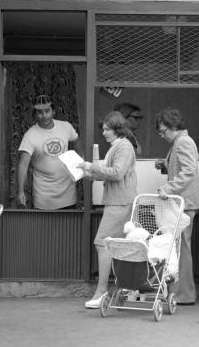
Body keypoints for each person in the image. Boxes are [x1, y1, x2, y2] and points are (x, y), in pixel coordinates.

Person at [78, 111, 137, 308]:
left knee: (102, 243)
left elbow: (117, 173)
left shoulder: (123, 147)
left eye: (106, 129)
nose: (103, 133)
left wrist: (92, 167)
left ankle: (102, 291)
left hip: (119, 202)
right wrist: (92, 174)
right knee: (118, 247)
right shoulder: (119, 146)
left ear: (116, 129)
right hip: (118, 201)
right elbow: (114, 173)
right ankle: (121, 289)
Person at [154, 108, 199, 305]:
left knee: (182, 247)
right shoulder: (180, 142)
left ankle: (184, 294)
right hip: (183, 201)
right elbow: (185, 168)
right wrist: (165, 166)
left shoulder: (183, 142)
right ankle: (181, 292)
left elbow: (189, 170)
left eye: (163, 131)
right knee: (180, 246)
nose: (162, 135)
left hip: (184, 202)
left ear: (173, 126)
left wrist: (169, 187)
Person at [17, 95, 83, 210]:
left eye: (47, 111)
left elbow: (76, 140)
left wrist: (81, 159)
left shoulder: (65, 127)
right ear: (35, 114)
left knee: (69, 227)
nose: (44, 116)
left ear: (54, 111)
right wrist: (20, 191)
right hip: (43, 196)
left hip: (67, 193)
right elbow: (23, 165)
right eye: (40, 112)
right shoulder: (30, 135)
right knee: (45, 228)